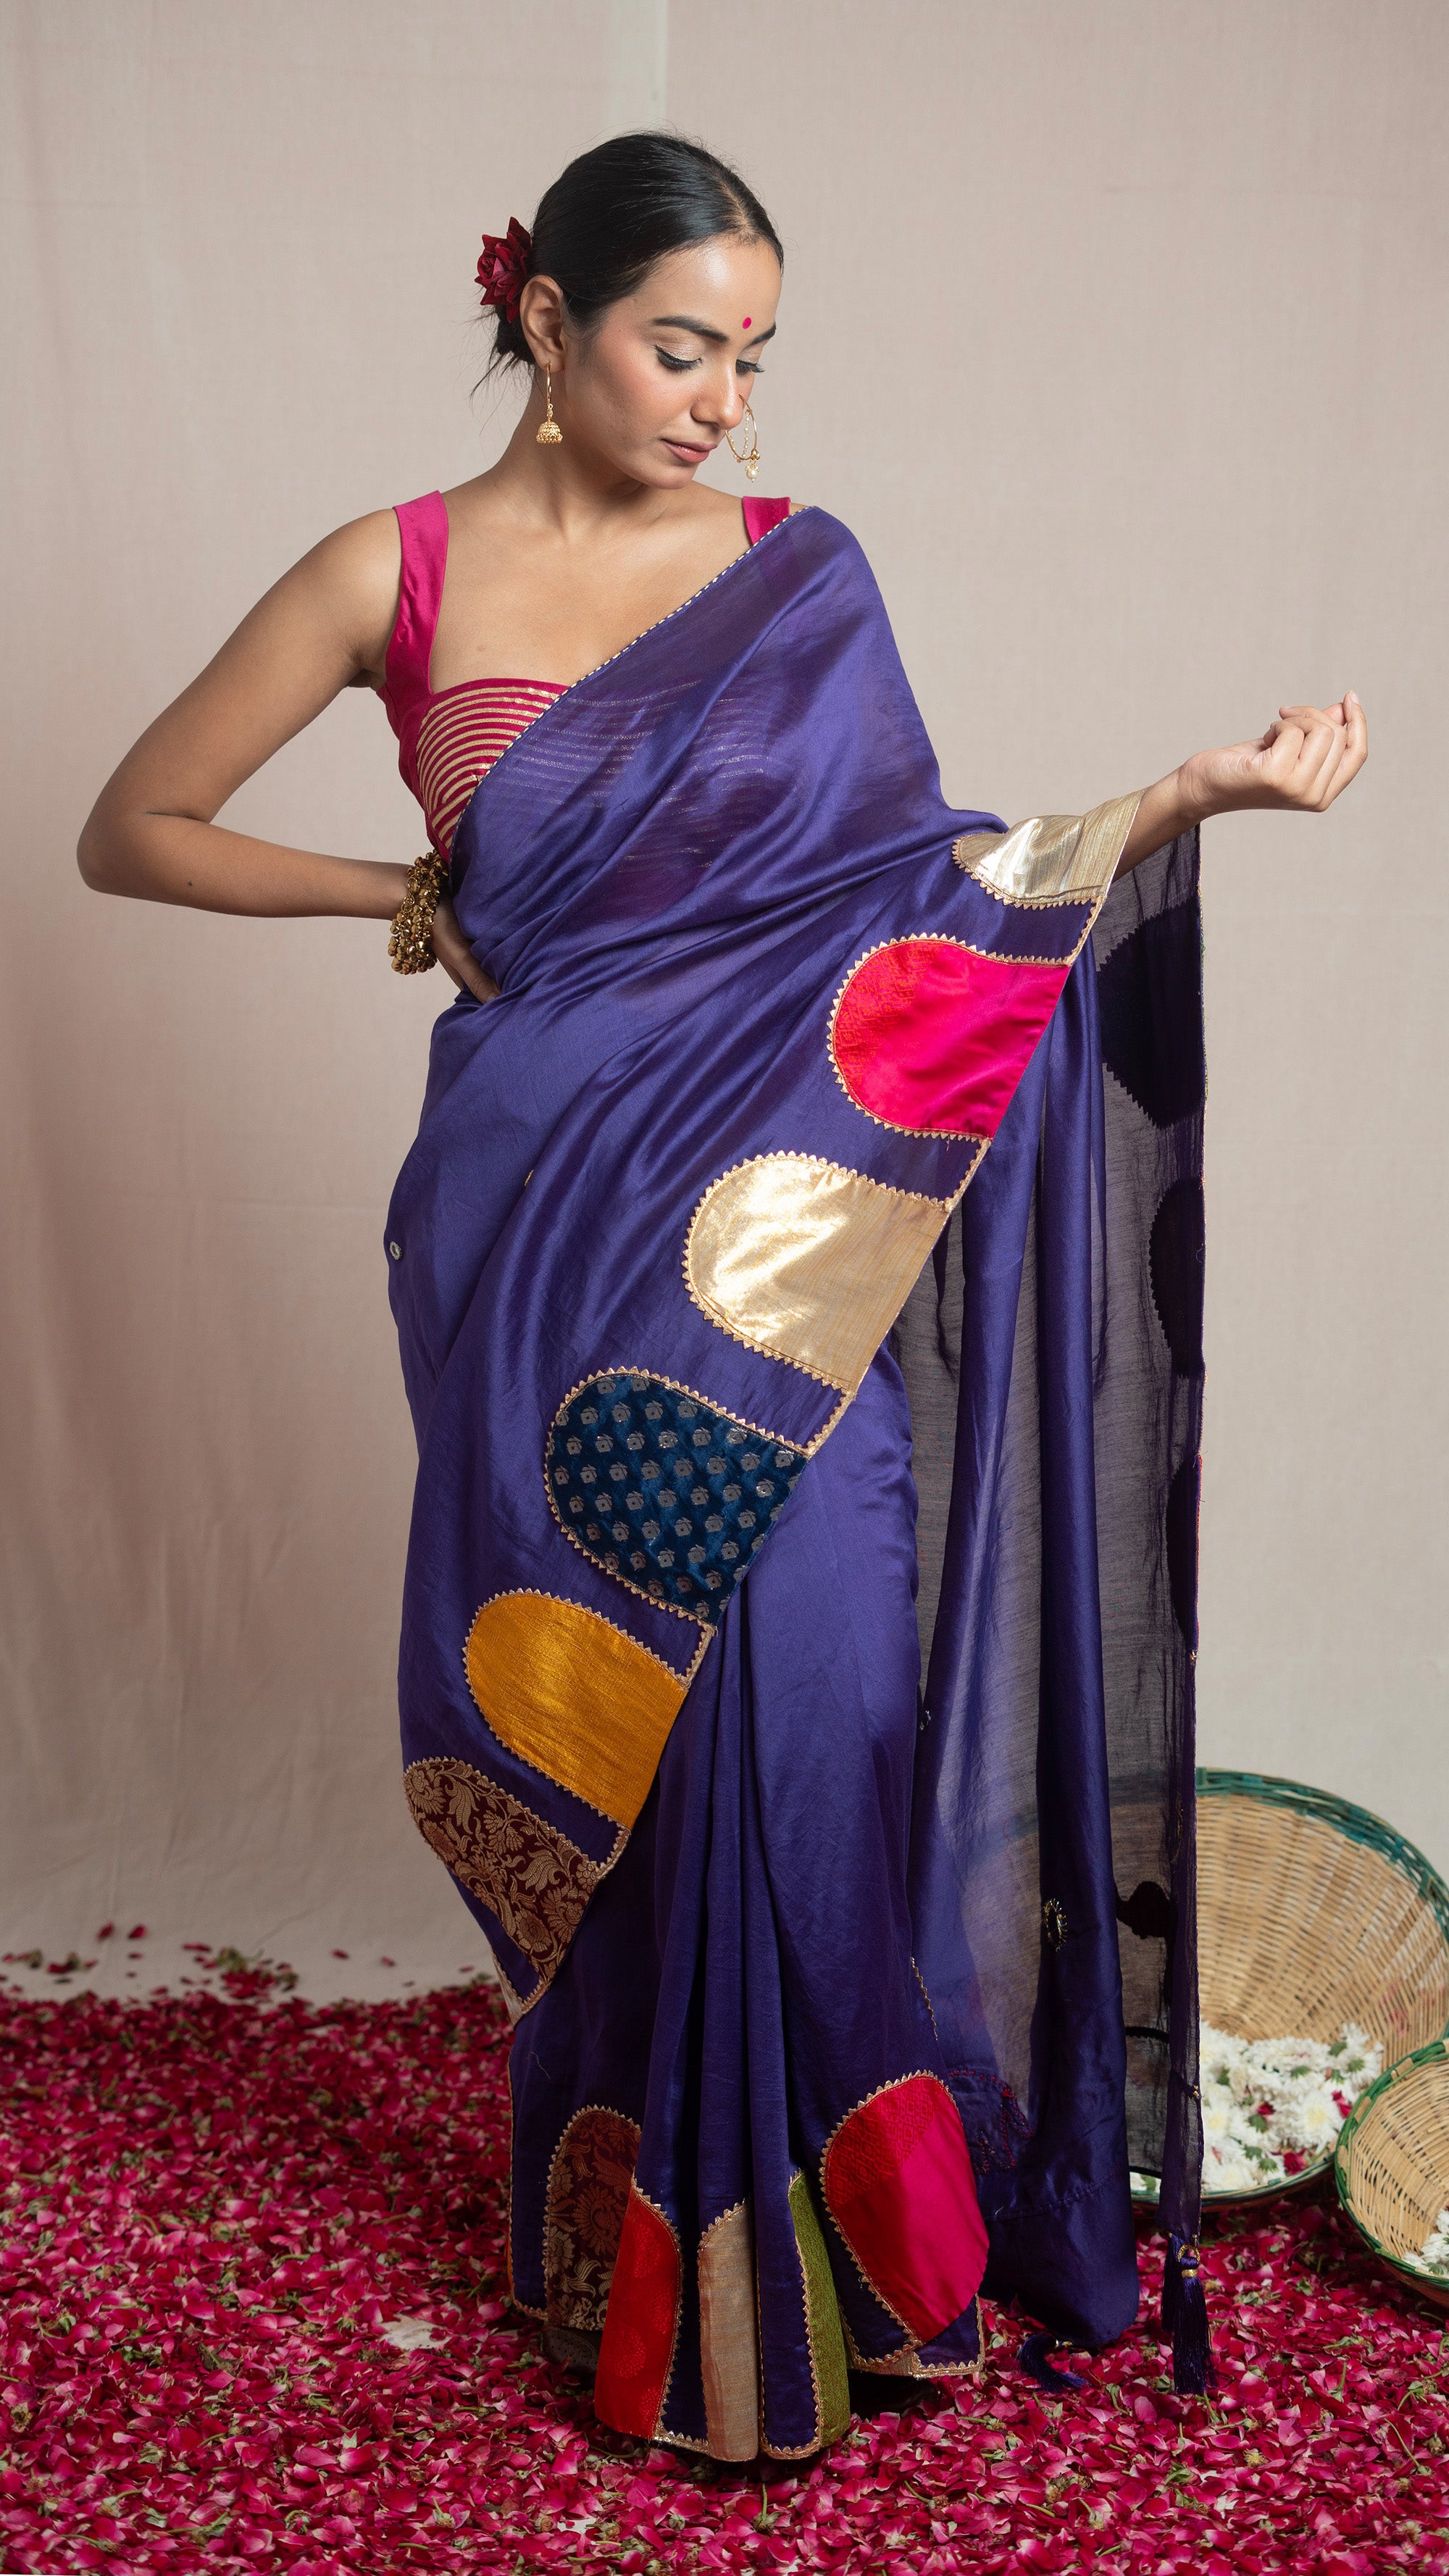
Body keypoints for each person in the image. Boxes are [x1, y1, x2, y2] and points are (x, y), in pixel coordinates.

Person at [78, 131, 1367, 2462]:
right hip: (543, 1224)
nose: (725, 404)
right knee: (632, 1733)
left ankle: (847, 2261)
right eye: (684, 348)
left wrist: (1172, 801)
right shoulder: (391, 569)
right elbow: (131, 824)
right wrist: (406, 890)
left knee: (826, 1692)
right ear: (547, 320)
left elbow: (921, 895)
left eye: (756, 360)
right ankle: (659, 2274)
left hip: (774, 1242)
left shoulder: (796, 575)